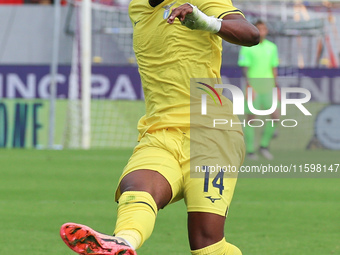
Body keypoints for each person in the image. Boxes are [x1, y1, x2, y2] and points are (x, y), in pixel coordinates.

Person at [60, 1, 259, 255]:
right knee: (137, 186)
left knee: (206, 244)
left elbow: (251, 34)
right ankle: (123, 243)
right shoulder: (138, 8)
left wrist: (204, 21)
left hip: (212, 134)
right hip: (159, 131)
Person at [238, 20, 279, 160]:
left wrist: (276, 87)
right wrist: (250, 86)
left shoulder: (272, 47)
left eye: (264, 28)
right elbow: (245, 69)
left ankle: (264, 146)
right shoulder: (247, 47)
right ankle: (249, 150)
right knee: (251, 119)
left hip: (268, 87)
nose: (262, 31)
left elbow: (274, 68)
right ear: (254, 30)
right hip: (253, 87)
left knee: (275, 116)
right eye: (259, 29)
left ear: (266, 31)